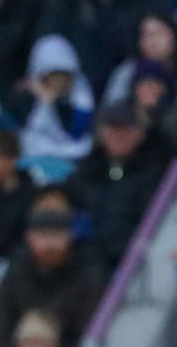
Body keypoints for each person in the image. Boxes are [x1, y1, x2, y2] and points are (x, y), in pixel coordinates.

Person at [0, 206, 104, 347]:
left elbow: (90, 331)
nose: (50, 244)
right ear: (29, 238)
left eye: (56, 236)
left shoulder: (88, 275)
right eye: (43, 236)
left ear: (70, 236)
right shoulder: (16, 274)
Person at [64, 103, 166, 271]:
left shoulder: (155, 173)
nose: (119, 135)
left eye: (126, 129)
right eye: (112, 129)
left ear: (140, 134)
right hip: (86, 263)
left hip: (135, 264)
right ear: (101, 133)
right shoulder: (85, 172)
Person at [7, 35, 95, 183]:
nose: (59, 81)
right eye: (54, 75)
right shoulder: (24, 97)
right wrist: (40, 100)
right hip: (31, 159)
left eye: (64, 75)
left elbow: (76, 132)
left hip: (72, 159)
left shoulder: (81, 97)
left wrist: (55, 103)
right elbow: (19, 130)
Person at [102, 11, 177, 114]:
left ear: (174, 36)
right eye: (146, 35)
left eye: (159, 34)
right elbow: (110, 110)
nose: (153, 42)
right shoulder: (128, 70)